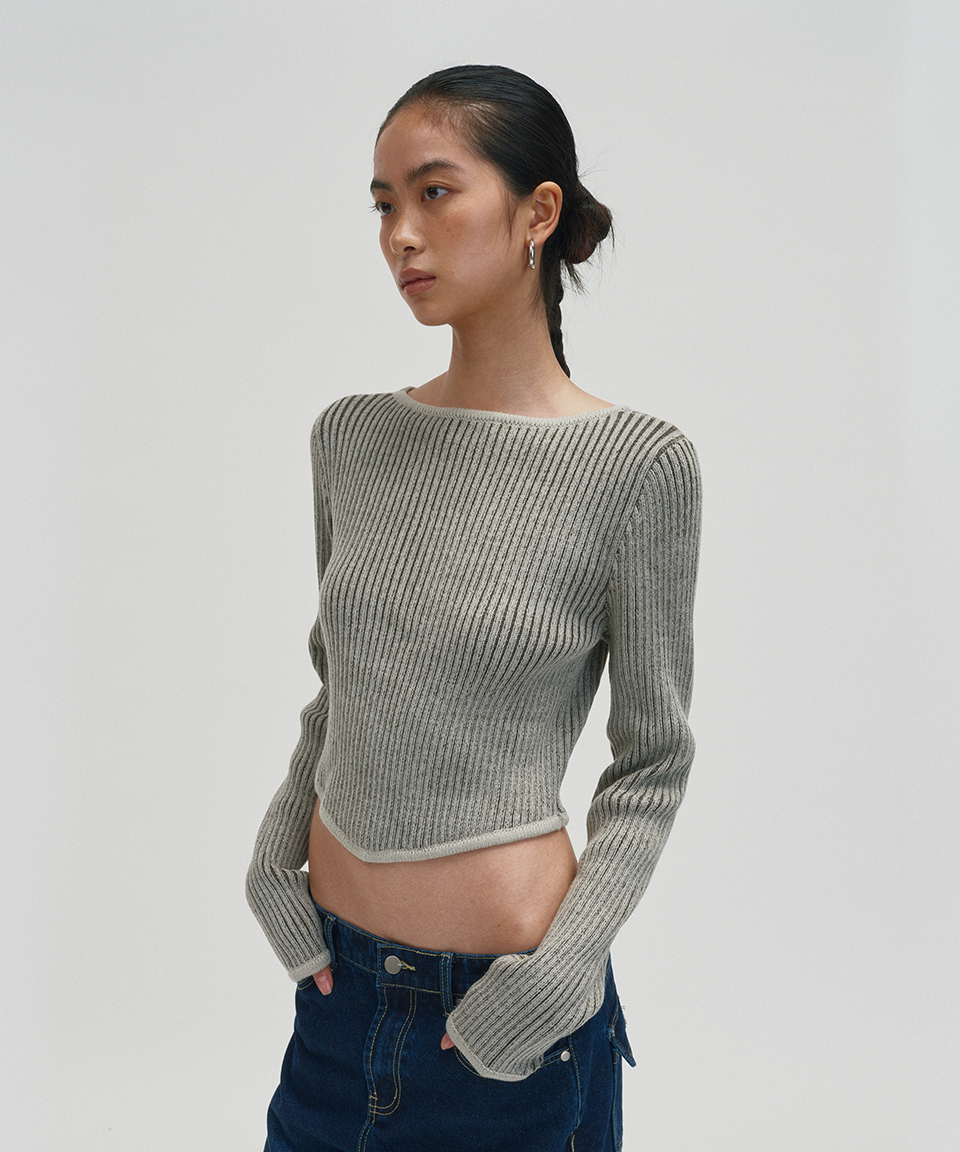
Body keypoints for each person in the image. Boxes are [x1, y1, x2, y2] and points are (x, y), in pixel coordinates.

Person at [246, 63, 702, 1152]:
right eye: (383, 204)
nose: (401, 234)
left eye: (435, 192)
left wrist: (561, 975)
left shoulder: (637, 466)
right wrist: (272, 858)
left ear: (538, 213)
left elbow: (652, 762)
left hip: (505, 1030)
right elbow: (340, 684)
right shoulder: (350, 437)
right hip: (334, 1005)